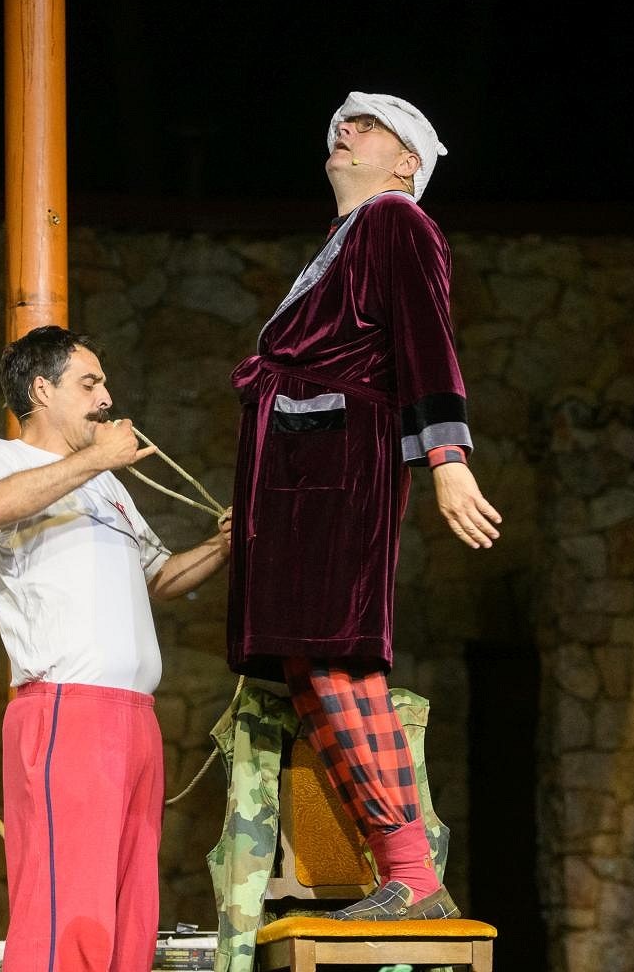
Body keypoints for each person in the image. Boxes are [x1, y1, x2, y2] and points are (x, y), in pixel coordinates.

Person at [226, 92, 502, 920]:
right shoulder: (347, 237)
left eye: (368, 126)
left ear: (407, 163)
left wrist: (447, 459)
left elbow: (426, 339)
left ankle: (411, 870)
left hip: (338, 461)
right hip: (301, 462)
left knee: (335, 653)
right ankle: (403, 868)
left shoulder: (396, 222)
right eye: (341, 124)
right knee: (306, 662)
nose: (344, 131)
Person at [0, 325, 232, 972]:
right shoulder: (5, 458)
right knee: (69, 913)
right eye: (89, 384)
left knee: (128, 911)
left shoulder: (108, 487)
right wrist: (96, 461)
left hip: (133, 716)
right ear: (41, 390)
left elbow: (161, 575)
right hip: (66, 709)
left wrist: (227, 544)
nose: (106, 398)